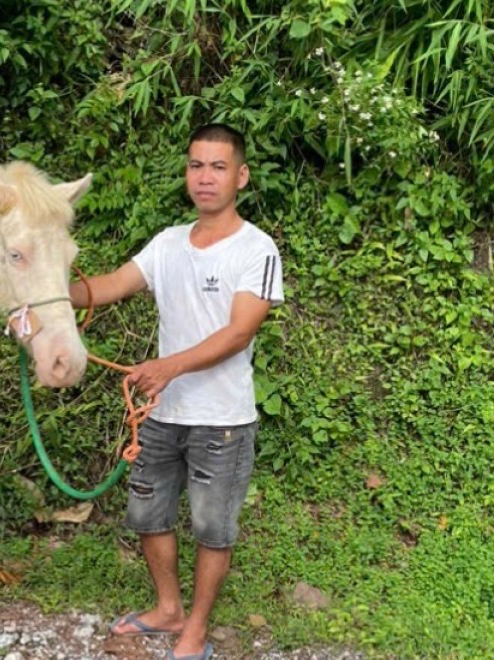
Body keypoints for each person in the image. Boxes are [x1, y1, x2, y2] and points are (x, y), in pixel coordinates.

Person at [70, 123, 284, 660]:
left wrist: (167, 368)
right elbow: (107, 287)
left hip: (222, 418)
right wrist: (40, 293)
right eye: (195, 165)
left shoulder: (257, 249)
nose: (205, 177)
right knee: (149, 514)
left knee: (213, 526)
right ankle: (168, 608)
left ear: (241, 175)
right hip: (163, 414)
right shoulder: (167, 244)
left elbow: (239, 332)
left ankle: (196, 628)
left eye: (217, 167)